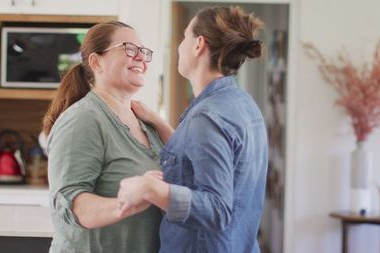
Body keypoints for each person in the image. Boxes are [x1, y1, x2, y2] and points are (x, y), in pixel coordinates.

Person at [117, 6, 268, 253]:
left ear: (199, 44)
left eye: (184, 37)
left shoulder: (207, 117)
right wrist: (159, 123)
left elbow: (217, 209)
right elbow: (204, 160)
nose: (179, 46)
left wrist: (150, 188)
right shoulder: (242, 103)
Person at [43, 21, 163, 253]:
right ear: (96, 62)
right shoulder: (83, 120)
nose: (140, 57)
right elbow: (71, 204)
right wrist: (126, 204)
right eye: (129, 48)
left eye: (143, 52)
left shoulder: (146, 122)